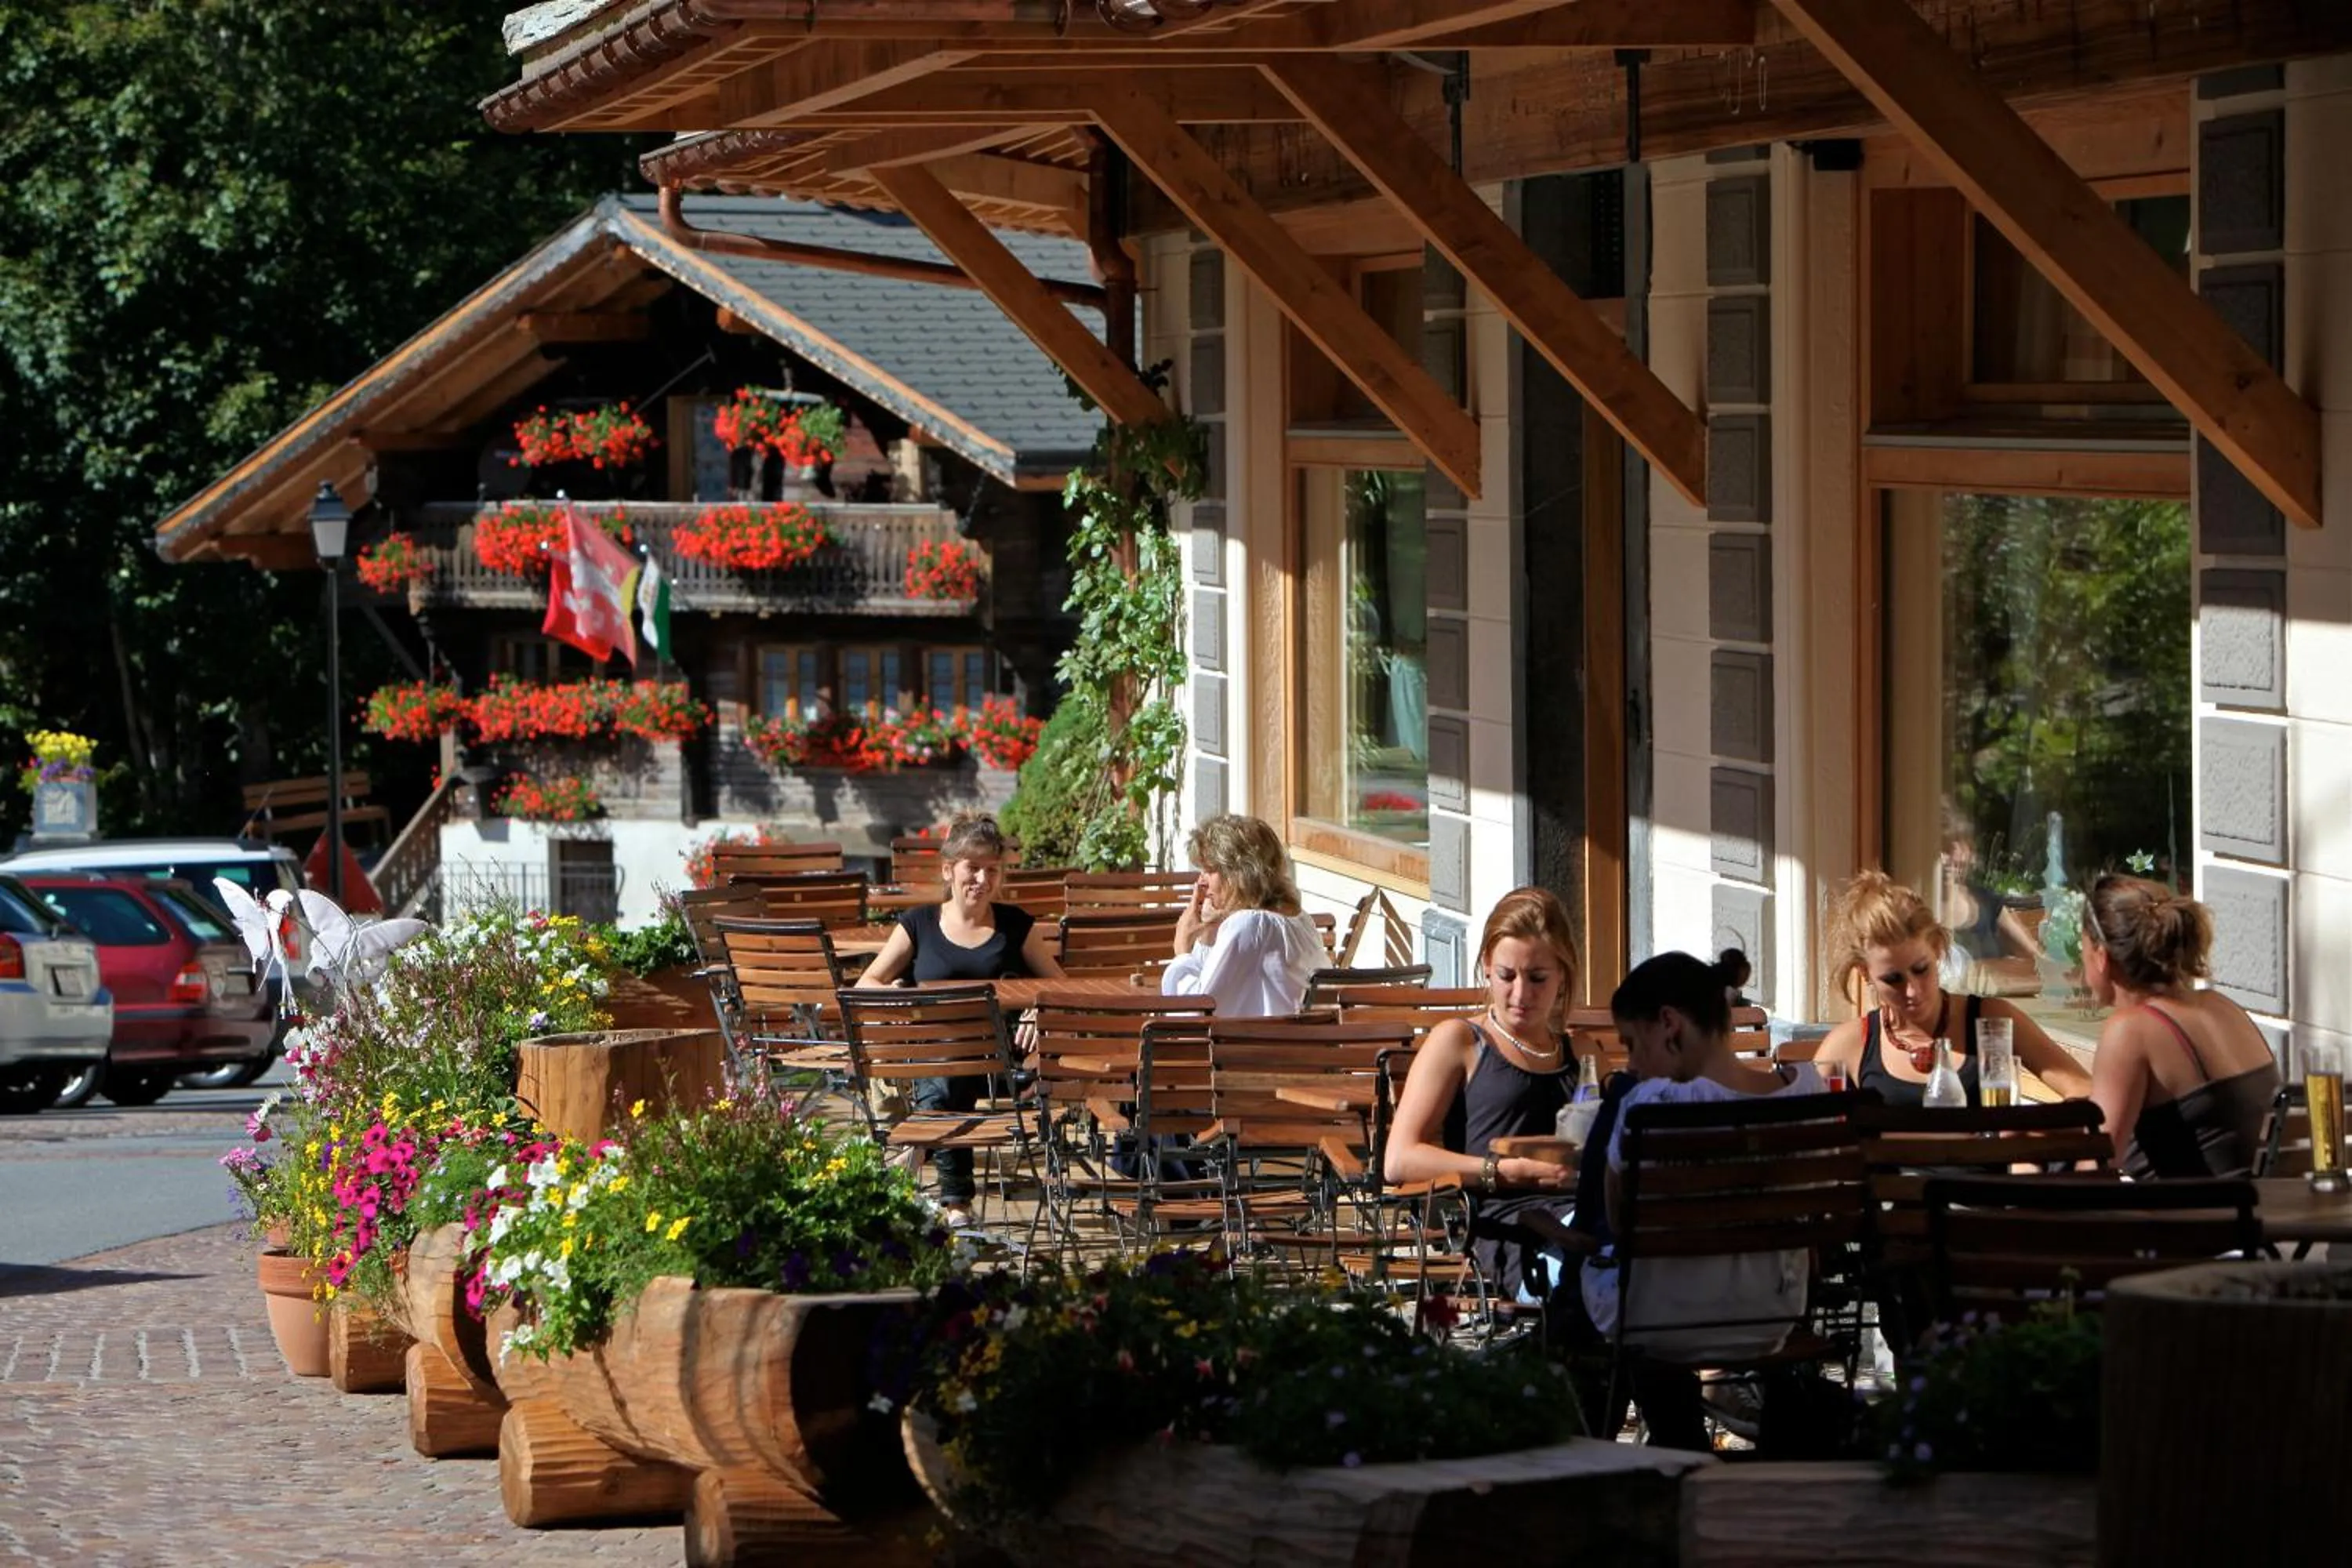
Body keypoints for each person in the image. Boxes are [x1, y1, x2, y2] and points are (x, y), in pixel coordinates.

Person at [1581, 950, 1826, 1452]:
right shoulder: (1809, 1092)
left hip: (1660, 1319)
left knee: (1589, 1272)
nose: (1631, 1062)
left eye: (1632, 1042)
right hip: (1771, 1317)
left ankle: (1673, 1441)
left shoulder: (1644, 1105)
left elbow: (1619, 1223)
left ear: (1669, 1025)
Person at [856, 813, 1063, 1221]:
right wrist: (896, 996)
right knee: (949, 1072)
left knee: (950, 1076)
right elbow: (867, 983)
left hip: (1005, 1065)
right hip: (935, 1057)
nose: (983, 880)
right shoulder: (918, 925)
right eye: (974, 868)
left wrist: (1039, 1008)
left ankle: (927, 1157)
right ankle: (956, 1205)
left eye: (993, 871)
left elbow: (1060, 986)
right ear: (949, 870)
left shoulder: (1016, 925)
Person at [1383, 887, 1580, 1306]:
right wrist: (1508, 1172)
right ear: (1487, 967)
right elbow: (1399, 1160)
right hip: (1513, 1230)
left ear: (1563, 974)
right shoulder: (1461, 1041)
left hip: (1586, 1219)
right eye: (1507, 976)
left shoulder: (1582, 1055)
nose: (1521, 994)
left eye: (1538, 978)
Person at [1817, 870, 2089, 1105]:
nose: (1912, 990)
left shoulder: (1990, 1021)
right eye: (1893, 979)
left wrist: (2031, 1146)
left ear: (1936, 949)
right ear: (1865, 974)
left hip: (1981, 1166)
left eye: (1921, 969)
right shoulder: (1853, 1043)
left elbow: (2084, 1090)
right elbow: (1795, 1129)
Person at [2082, 875, 2280, 1177]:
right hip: (2257, 1214)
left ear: (2100, 956)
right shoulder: (2224, 1007)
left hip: (2196, 1220)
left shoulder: (2130, 1031)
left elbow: (2094, 1168)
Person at [1161, 814, 1326, 1018]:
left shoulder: (1251, 925)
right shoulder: (1300, 920)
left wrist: (1182, 948)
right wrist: (1207, 936)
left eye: (1209, 871)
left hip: (1261, 1049)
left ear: (1237, 874)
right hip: (1297, 1045)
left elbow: (1196, 1011)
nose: (1201, 882)